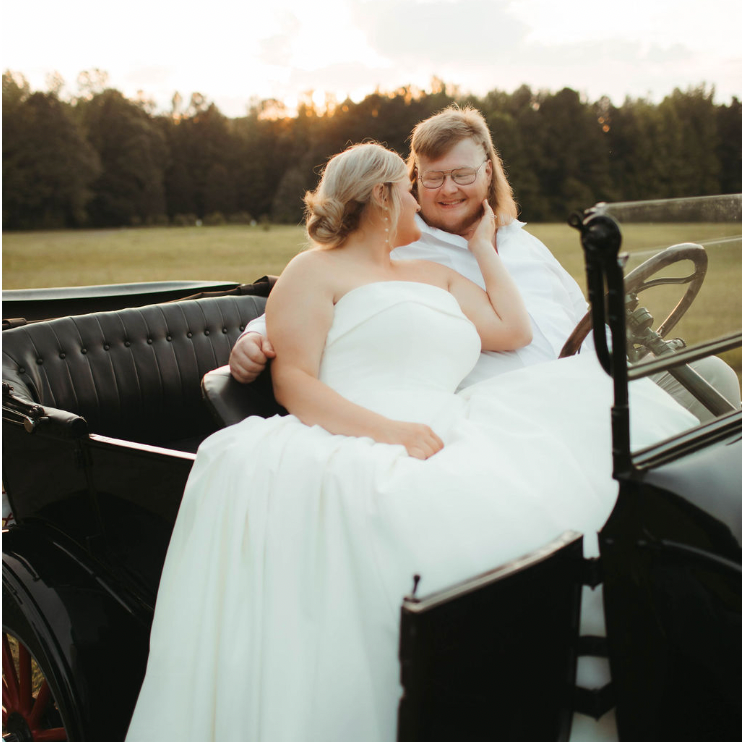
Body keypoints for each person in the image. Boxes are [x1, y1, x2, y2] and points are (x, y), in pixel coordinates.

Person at [125, 142, 696, 742]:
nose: (420, 198)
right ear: (382, 196)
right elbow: (294, 383)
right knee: (458, 514)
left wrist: (482, 246)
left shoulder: (434, 272)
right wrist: (390, 433)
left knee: (579, 450)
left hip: (446, 418)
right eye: (409, 186)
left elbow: (513, 329)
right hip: (355, 429)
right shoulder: (313, 270)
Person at [229, 106, 740, 420]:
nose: (448, 189)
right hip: (518, 403)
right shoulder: (400, 247)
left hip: (595, 380)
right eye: (432, 179)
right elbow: (318, 293)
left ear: (487, 169)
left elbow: (580, 315)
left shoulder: (520, 241)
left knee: (714, 379)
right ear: (412, 182)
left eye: (461, 174)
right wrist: (253, 336)